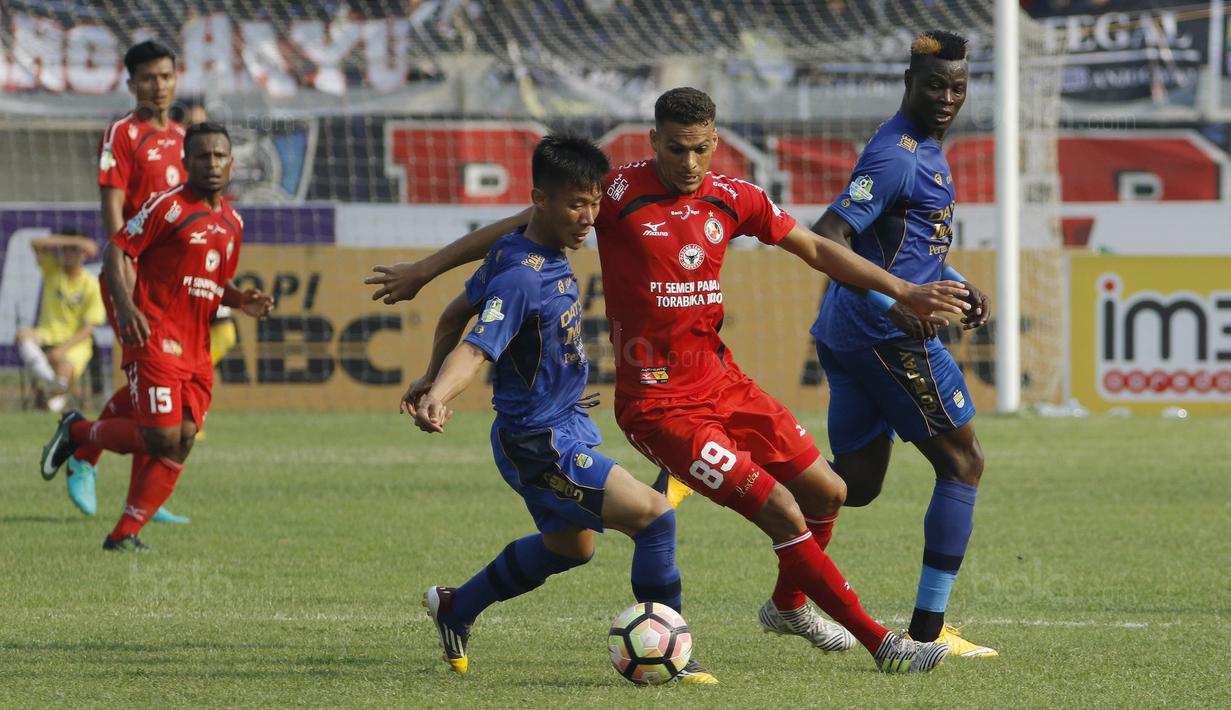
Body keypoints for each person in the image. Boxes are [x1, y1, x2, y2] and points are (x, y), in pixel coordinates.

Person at [370, 88, 971, 673]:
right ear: (654, 140)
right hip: (659, 404)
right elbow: (520, 224)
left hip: (722, 380)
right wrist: (424, 270)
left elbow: (815, 247)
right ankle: (885, 646)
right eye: (677, 149)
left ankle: (788, 608)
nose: (689, 163)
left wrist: (904, 289)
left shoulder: (735, 196)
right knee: (779, 511)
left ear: (715, 142)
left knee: (828, 494)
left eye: (701, 149)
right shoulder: (617, 193)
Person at [413, 134, 715, 683]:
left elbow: (454, 312)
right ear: (540, 200)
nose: (589, 216)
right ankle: (673, 651)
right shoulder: (522, 275)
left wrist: (431, 374)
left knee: (570, 548)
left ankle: (457, 607)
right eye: (576, 203)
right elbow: (477, 344)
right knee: (654, 519)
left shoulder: (517, 249)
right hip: (539, 442)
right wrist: (438, 391)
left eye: (595, 201)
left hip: (561, 427)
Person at [807, 30, 997, 658]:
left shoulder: (924, 149)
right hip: (884, 333)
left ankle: (741, 475)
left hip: (848, 332)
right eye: (935, 85)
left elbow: (899, 246)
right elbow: (829, 237)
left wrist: (960, 285)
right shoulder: (897, 155)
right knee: (963, 464)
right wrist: (894, 301)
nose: (947, 97)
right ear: (908, 83)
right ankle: (928, 630)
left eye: (958, 87)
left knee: (851, 486)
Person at [39, 122, 275, 552]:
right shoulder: (167, 206)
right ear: (185, 163)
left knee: (183, 438)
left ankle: (124, 534)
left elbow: (213, 282)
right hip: (154, 337)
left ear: (232, 163)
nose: (212, 164)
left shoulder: (233, 223)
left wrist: (242, 299)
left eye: (219, 156)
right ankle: (78, 434)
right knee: (159, 436)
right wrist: (127, 308)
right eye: (202, 156)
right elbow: (116, 249)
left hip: (197, 350)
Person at [62, 40, 189, 522]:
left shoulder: (183, 137)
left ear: (176, 77)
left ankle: (142, 495)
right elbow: (114, 219)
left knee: (159, 389)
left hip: (173, 286)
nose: (158, 86)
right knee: (154, 386)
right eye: (148, 78)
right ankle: (83, 451)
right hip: (133, 282)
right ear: (131, 83)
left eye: (165, 76)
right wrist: (125, 285)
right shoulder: (121, 134)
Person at [16, 231, 104, 413]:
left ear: (83, 254)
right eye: (65, 250)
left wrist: (62, 349)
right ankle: (56, 386)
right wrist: (76, 240)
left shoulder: (91, 284)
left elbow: (89, 329)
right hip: (47, 333)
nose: (68, 254)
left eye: (73, 250)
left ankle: (51, 401)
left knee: (64, 368)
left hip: (75, 342)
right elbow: (34, 242)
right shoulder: (53, 269)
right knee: (22, 335)